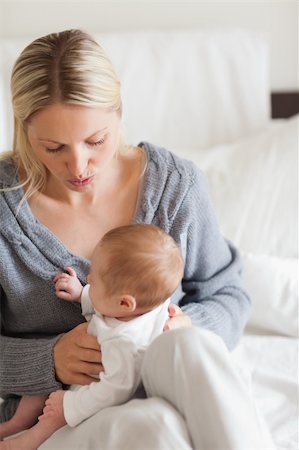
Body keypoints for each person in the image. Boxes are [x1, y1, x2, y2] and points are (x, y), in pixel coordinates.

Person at [0, 29, 275, 449]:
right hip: (65, 413)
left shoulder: (174, 185)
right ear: (23, 128)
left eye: (96, 140)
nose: (79, 166)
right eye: (53, 147)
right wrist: (49, 360)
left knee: (189, 349)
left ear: (119, 108)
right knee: (154, 427)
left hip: (165, 374)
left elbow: (228, 294)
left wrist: (181, 326)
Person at [0, 223, 184, 449]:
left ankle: (26, 442)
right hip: (77, 375)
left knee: (53, 417)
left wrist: (69, 404)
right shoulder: (143, 304)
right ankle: (15, 424)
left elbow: (114, 391)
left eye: (94, 280)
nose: (89, 277)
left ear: (125, 303)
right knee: (40, 383)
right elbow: (106, 301)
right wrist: (81, 294)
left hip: (96, 394)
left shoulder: (125, 345)